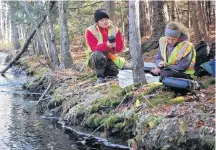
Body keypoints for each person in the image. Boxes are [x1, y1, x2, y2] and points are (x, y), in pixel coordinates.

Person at [85, 9, 125, 83]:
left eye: (106, 19)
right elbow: (94, 48)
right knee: (97, 54)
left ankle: (108, 72)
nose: (105, 21)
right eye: (102, 20)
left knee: (122, 71)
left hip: (112, 59)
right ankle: (100, 77)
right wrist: (107, 45)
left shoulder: (115, 29)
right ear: (97, 21)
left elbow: (119, 48)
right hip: (96, 59)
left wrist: (114, 47)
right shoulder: (90, 30)